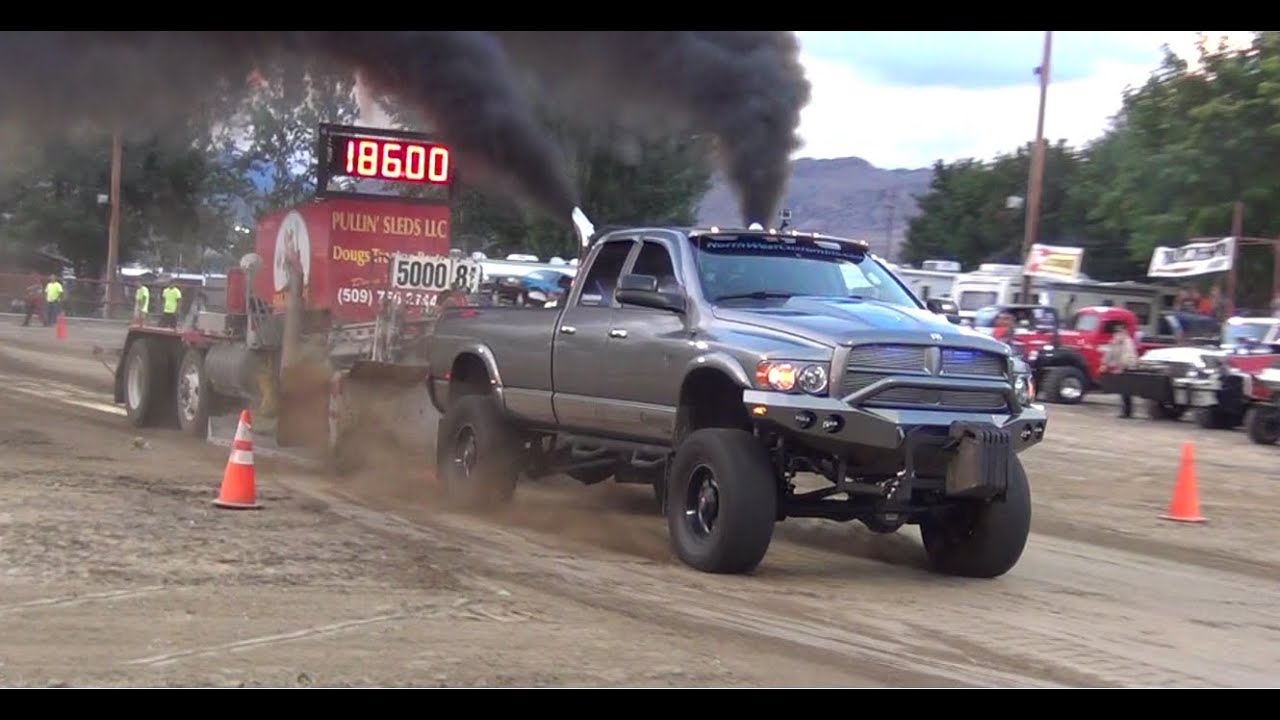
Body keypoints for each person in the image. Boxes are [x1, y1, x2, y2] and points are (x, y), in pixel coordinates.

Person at [1102, 323, 1140, 418]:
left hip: (1128, 367)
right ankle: (1125, 411)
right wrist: (1104, 364)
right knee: (1123, 391)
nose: (1117, 333)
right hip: (1122, 367)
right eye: (1116, 331)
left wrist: (1122, 368)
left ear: (1124, 331)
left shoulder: (1127, 342)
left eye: (1120, 331)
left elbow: (1126, 356)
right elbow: (1109, 353)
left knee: (1126, 391)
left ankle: (1127, 412)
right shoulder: (1115, 341)